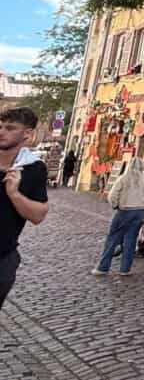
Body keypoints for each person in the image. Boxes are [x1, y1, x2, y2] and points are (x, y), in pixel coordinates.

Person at [0, 108, 49, 311]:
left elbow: (38, 215)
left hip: (3, 258)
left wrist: (14, 194)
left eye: (10, 128)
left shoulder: (32, 168)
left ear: (27, 134)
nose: (2, 131)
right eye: (0, 126)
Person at [92, 157, 144, 276]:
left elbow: (112, 196)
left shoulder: (123, 179)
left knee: (112, 239)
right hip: (139, 211)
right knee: (131, 240)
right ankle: (125, 269)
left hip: (125, 210)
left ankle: (103, 267)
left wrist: (116, 205)